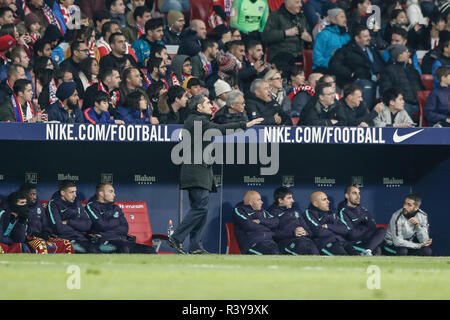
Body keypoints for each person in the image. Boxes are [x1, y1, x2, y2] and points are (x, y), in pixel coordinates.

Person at [167, 94, 263, 254]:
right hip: (195, 171)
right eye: (206, 103)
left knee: (201, 209)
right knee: (200, 209)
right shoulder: (196, 121)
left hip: (201, 171)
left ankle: (196, 246)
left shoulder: (200, 120)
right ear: (198, 107)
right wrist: (245, 125)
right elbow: (220, 130)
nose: (210, 105)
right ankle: (176, 237)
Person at [85, 183, 156, 253]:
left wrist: (107, 229)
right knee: (123, 248)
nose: (114, 194)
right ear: (101, 193)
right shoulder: (91, 206)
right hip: (105, 242)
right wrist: (116, 221)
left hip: (123, 241)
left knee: (149, 250)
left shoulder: (116, 207)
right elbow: (101, 225)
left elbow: (125, 228)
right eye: (111, 191)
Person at [329, 25, 385, 109]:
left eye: (369, 35)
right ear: (357, 38)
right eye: (365, 36)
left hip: (377, 80)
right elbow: (333, 64)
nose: (369, 38)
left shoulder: (372, 48)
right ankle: (365, 114)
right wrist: (350, 73)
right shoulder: (347, 50)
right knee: (367, 86)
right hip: (357, 80)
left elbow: (381, 64)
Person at [46, 181, 100, 253]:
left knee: (96, 250)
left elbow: (88, 225)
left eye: (75, 192)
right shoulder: (53, 204)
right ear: (63, 193)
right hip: (64, 239)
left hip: (80, 238)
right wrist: (78, 228)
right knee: (86, 250)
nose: (75, 195)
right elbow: (58, 227)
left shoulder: (77, 203)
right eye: (71, 192)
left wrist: (68, 222)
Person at [19, 183, 74, 254]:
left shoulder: (38, 205)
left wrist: (46, 232)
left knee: (66, 243)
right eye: (32, 194)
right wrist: (33, 234)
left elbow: (45, 223)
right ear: (24, 194)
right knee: (41, 246)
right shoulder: (20, 207)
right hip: (28, 239)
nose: (35, 197)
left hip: (41, 237)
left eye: (35, 194)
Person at [302, 191, 359, 256]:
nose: (328, 202)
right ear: (315, 204)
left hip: (341, 241)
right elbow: (318, 232)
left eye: (327, 199)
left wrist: (327, 226)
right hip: (325, 244)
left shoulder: (331, 214)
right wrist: (336, 230)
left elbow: (345, 229)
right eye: (324, 200)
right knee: (344, 258)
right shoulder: (308, 214)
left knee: (357, 256)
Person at [336, 186, 386, 256]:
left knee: (382, 230)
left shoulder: (363, 210)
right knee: (376, 250)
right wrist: (363, 224)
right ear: (347, 196)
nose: (358, 196)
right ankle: (368, 250)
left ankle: (368, 250)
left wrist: (359, 226)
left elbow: (373, 227)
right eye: (354, 193)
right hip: (353, 243)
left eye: (359, 193)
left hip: (366, 240)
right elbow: (351, 234)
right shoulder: (343, 211)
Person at [268, 187, 319, 255]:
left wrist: (305, 232)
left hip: (305, 240)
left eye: (292, 198)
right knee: (303, 247)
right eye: (289, 198)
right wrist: (293, 233)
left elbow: (309, 231)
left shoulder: (295, 211)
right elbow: (273, 234)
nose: (293, 200)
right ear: (280, 200)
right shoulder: (272, 213)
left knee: (311, 246)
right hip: (286, 243)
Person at [380, 44, 424, 118]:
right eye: (406, 52)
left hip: (419, 103)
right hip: (403, 105)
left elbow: (421, 87)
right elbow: (386, 90)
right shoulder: (389, 70)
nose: (408, 53)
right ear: (399, 55)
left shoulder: (412, 70)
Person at [233, 191, 280, 255]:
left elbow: (275, 221)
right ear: (251, 202)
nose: (262, 202)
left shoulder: (262, 211)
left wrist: (260, 221)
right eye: (259, 200)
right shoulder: (239, 210)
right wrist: (267, 228)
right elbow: (249, 225)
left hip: (269, 242)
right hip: (252, 244)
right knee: (272, 253)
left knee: (275, 252)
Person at [312, 8, 350, 74]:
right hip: (325, 69)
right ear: (333, 20)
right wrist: (333, 64)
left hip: (342, 69)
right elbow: (317, 58)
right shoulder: (324, 34)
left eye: (345, 17)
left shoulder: (347, 36)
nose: (345, 19)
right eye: (341, 17)